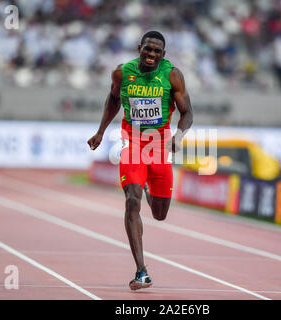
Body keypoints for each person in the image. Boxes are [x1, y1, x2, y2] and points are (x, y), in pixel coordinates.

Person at [87, 31, 193, 290]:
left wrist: (179, 135)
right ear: (139, 48)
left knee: (159, 214)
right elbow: (113, 100)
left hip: (158, 146)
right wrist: (101, 131)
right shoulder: (122, 73)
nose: (151, 54)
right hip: (132, 142)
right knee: (131, 200)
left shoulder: (172, 75)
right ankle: (141, 271)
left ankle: (147, 186)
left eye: (157, 51)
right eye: (148, 49)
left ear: (163, 55)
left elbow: (187, 112)